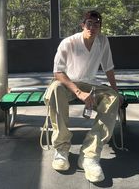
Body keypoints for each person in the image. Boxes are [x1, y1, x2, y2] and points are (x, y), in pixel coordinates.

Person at [44, 10, 120, 183]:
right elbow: (58, 72)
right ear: (83, 25)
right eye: (89, 23)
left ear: (100, 27)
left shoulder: (102, 41)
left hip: (90, 84)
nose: (92, 27)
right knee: (55, 89)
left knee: (112, 98)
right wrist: (78, 92)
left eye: (96, 24)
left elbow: (108, 67)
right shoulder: (69, 42)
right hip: (67, 84)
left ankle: (90, 155)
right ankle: (61, 148)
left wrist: (115, 91)